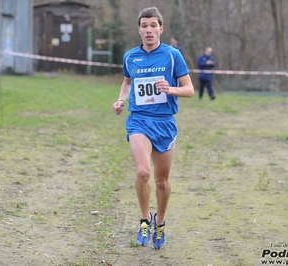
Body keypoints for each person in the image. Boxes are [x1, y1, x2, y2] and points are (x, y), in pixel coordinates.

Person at [112, 7, 194, 249]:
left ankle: (160, 223)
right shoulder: (130, 57)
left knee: (161, 182)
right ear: (139, 29)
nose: (148, 30)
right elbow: (127, 82)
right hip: (138, 120)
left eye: (153, 25)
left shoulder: (172, 56)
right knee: (142, 173)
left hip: (165, 122)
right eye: (144, 25)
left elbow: (189, 89)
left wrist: (171, 89)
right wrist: (120, 100)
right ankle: (145, 219)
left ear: (161, 28)